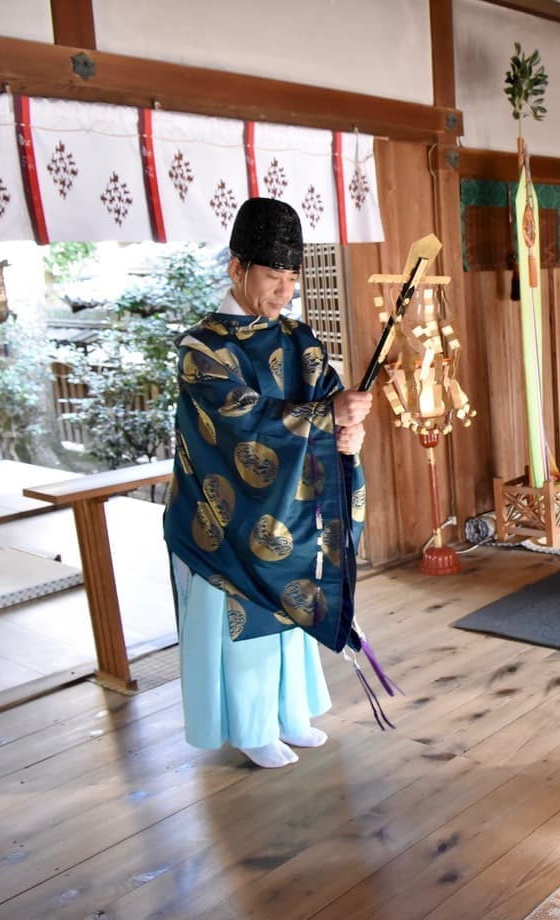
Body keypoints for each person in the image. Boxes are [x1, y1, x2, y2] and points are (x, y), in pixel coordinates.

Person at [163, 197, 374, 769]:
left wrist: (349, 433)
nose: (284, 291)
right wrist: (328, 419)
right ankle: (251, 726)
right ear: (237, 268)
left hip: (284, 507)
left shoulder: (298, 338)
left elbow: (327, 401)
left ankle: (290, 713)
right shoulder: (201, 349)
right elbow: (241, 418)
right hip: (220, 517)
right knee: (245, 618)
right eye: (273, 277)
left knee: (292, 604)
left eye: (291, 278)